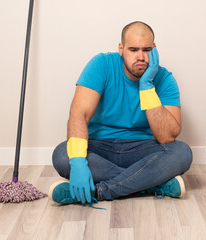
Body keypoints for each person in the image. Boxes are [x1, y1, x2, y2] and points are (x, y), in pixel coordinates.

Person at [48, 21, 193, 205]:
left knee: (182, 153)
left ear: (154, 49)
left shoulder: (164, 78)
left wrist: (147, 85)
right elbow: (79, 116)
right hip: (100, 148)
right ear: (121, 48)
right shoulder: (101, 65)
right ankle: (151, 184)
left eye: (146, 50)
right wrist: (77, 162)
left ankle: (100, 191)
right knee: (62, 155)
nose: (141, 57)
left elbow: (166, 137)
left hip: (143, 149)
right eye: (133, 50)